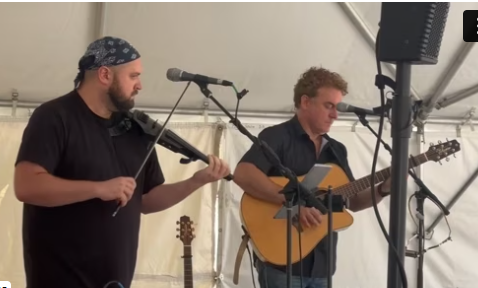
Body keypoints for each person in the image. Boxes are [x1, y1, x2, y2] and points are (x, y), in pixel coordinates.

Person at [13, 36, 231, 288]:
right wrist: (98, 188)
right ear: (105, 75)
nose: (140, 85)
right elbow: (27, 186)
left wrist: (197, 180)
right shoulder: (54, 116)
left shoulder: (134, 128)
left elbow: (146, 200)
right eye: (133, 76)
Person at [233, 67, 392, 288]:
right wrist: (292, 204)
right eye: (329, 106)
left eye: (337, 108)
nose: (335, 114)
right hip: (282, 264)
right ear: (306, 102)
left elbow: (353, 201)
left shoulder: (336, 150)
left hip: (321, 267)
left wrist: (383, 189)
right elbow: (243, 173)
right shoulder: (276, 137)